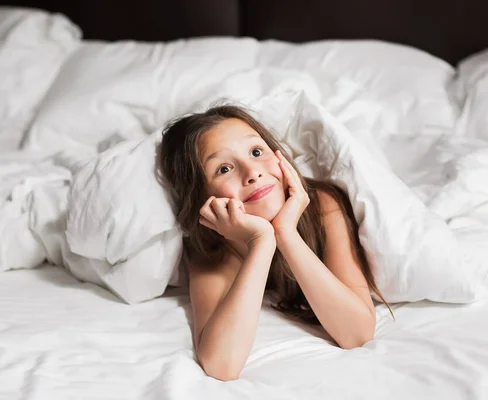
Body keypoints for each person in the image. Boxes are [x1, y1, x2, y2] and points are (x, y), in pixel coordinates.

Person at [158, 105, 392, 381]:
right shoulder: (212, 247)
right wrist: (261, 242)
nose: (252, 172)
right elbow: (222, 364)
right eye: (223, 169)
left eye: (257, 152)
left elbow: (357, 333)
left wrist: (286, 233)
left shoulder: (324, 206)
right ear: (203, 196)